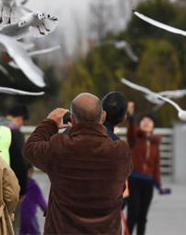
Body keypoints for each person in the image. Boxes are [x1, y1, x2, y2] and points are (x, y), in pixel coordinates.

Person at [23, 93, 131, 234]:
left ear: (72, 119)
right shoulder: (120, 151)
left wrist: (50, 123)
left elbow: (30, 148)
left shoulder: (59, 147)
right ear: (103, 116)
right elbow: (121, 184)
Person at [126, 105, 169, 235]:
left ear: (153, 126)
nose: (146, 123)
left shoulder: (155, 144)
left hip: (148, 183)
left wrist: (158, 184)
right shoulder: (134, 139)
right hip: (134, 180)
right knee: (132, 214)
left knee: (142, 217)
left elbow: (156, 166)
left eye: (149, 121)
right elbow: (131, 131)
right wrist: (131, 117)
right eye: (143, 121)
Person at [18, 166, 47, 235]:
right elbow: (41, 200)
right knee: (35, 232)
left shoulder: (19, 184)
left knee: (22, 231)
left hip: (21, 215)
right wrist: (46, 210)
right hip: (30, 215)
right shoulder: (33, 186)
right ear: (30, 171)